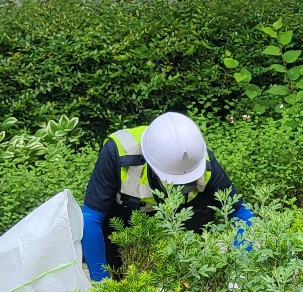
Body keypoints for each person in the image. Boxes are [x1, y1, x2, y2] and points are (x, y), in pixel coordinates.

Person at [81, 112, 252, 282]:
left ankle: (186, 275)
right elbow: (91, 219)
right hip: (126, 220)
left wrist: (240, 276)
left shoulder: (200, 160)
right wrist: (101, 282)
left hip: (182, 224)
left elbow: (242, 215)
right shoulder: (117, 152)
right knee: (117, 268)